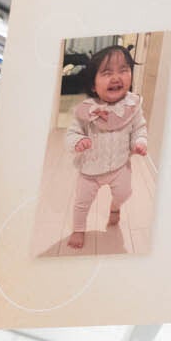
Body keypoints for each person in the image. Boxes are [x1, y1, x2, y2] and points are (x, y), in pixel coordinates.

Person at [65, 44, 146, 249]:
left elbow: (139, 128)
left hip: (119, 165)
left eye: (123, 70)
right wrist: (78, 142)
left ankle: (115, 207)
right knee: (81, 202)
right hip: (90, 169)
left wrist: (139, 142)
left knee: (124, 193)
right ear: (93, 85)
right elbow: (71, 134)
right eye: (107, 73)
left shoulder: (132, 106)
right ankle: (78, 229)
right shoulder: (87, 111)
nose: (116, 78)